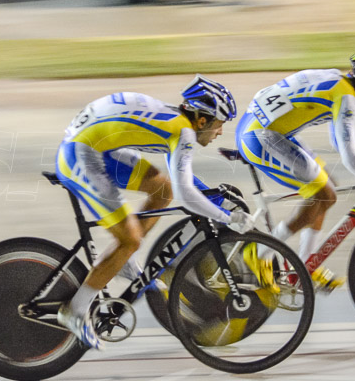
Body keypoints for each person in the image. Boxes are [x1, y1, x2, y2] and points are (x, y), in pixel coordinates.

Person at [54, 75, 251, 349]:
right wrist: (228, 218)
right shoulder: (182, 131)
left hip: (95, 147)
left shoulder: (176, 122)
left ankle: (120, 259)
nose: (220, 132)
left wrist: (211, 195)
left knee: (162, 191)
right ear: (203, 120)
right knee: (130, 239)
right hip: (81, 155)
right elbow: (188, 196)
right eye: (220, 124)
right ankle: (74, 310)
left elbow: (182, 181)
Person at [235, 48, 355, 291]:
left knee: (327, 185)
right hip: (260, 137)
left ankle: (306, 263)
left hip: (264, 129)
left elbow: (339, 142)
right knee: (324, 194)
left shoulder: (337, 83)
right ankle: (259, 253)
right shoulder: (346, 97)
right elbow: (350, 156)